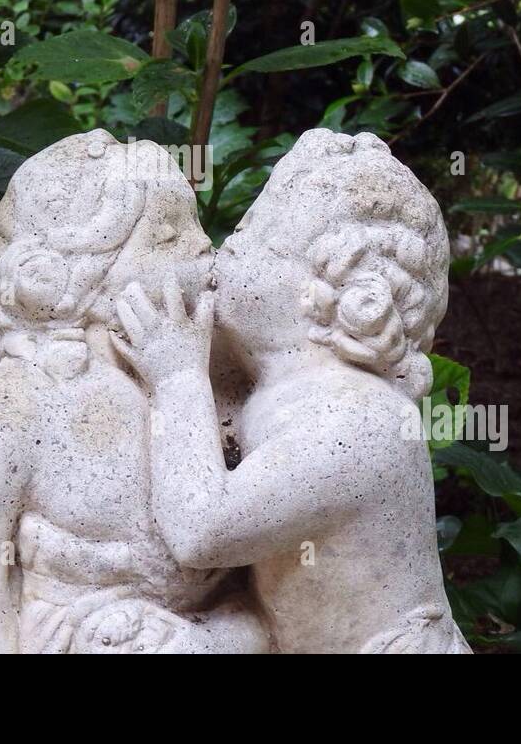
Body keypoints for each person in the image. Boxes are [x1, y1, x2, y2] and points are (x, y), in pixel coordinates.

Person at [113, 129, 471, 653]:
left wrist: (177, 379)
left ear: (343, 298)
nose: (229, 244)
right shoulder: (279, 390)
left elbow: (203, 530)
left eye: (258, 237)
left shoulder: (358, 420)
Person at [0, 131, 268, 653]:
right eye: (170, 234)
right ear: (85, 270)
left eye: (195, 226)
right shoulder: (11, 409)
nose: (201, 245)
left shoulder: (210, 382)